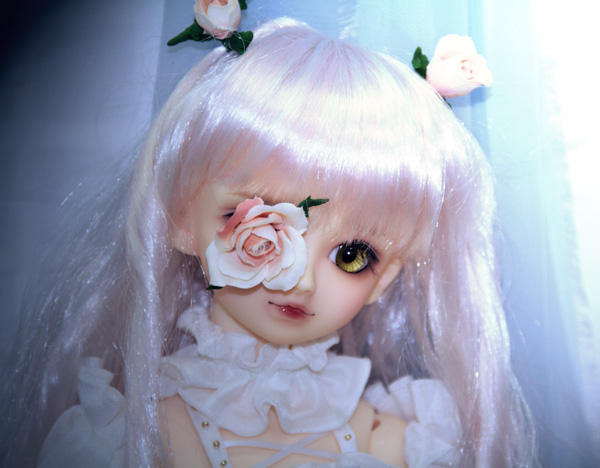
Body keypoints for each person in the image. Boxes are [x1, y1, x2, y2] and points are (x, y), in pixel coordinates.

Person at [1, 18, 536, 467]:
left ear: (386, 277)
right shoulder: (127, 437)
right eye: (261, 222)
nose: (298, 279)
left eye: (352, 256)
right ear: (181, 218)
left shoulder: (399, 441)